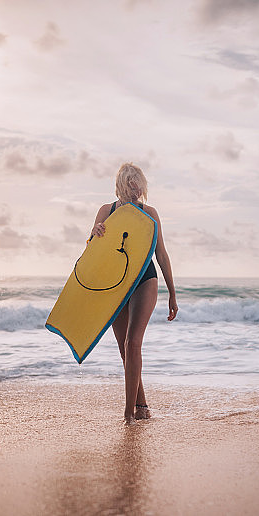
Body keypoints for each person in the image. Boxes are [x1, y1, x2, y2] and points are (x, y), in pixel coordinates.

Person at [89, 162, 178, 424]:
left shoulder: (150, 213)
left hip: (144, 280)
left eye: (138, 182)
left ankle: (128, 414)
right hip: (114, 282)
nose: (135, 187)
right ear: (121, 185)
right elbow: (93, 248)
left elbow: (161, 253)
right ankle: (141, 405)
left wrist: (172, 292)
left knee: (133, 343)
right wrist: (94, 232)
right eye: (130, 182)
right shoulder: (107, 210)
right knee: (123, 348)